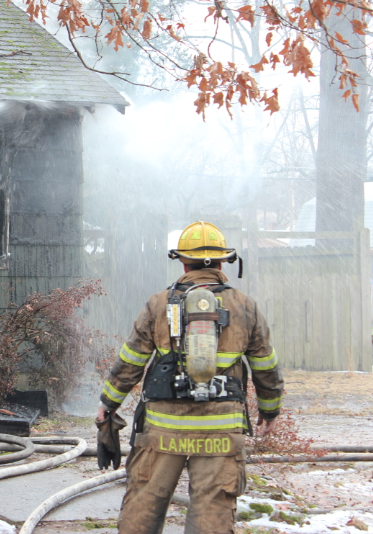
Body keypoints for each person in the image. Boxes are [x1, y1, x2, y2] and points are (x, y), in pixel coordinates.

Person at [98, 221, 284, 534]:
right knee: (212, 513)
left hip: (162, 432)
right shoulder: (244, 307)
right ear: (223, 262)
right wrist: (270, 410)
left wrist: (108, 403)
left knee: (143, 506)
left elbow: (131, 361)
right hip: (221, 434)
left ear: (183, 262)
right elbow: (266, 366)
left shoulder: (158, 304)